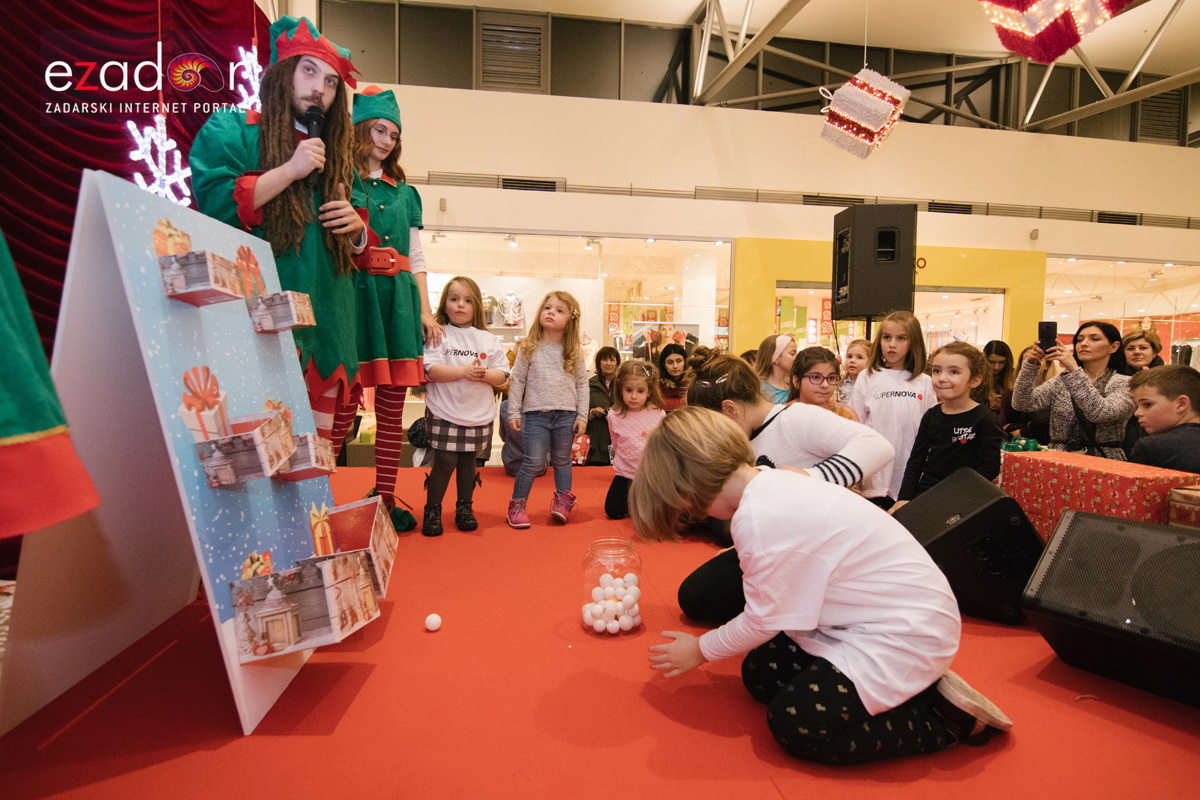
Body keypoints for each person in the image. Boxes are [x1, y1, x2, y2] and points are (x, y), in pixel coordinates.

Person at [630, 407, 1013, 765]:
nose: (691, 514)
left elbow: (763, 619)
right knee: (760, 674)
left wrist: (701, 648)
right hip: (869, 619)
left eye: (684, 506)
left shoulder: (759, 518)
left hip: (905, 633)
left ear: (690, 487)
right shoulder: (772, 482)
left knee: (798, 725)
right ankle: (912, 686)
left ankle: (943, 720)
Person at [190, 17, 380, 508]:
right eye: (310, 73)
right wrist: (290, 170)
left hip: (330, 333)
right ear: (283, 73)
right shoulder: (233, 130)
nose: (320, 89)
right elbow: (214, 206)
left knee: (313, 467)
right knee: (250, 464)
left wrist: (358, 232)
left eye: (332, 82)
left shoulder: (339, 157)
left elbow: (363, 250)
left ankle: (306, 550)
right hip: (258, 328)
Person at [679, 354, 894, 624]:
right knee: (696, 596)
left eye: (711, 425)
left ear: (730, 410)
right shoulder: (746, 435)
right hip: (779, 546)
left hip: (816, 549)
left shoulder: (795, 418)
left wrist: (809, 477)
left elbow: (878, 447)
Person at [350, 85, 444, 526]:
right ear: (359, 129)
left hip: (398, 304)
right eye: (378, 130)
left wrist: (425, 310)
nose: (385, 141)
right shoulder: (338, 180)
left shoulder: (406, 193)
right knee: (340, 406)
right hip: (354, 300)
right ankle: (320, 508)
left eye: (392, 134)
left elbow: (417, 256)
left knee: (391, 407)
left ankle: (385, 498)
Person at [421, 277, 508, 535]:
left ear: (477, 306)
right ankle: (433, 509)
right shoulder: (438, 334)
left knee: (470, 462)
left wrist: (483, 375)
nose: (461, 305)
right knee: (445, 461)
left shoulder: (487, 339)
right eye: (454, 299)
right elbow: (432, 371)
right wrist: (464, 372)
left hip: (477, 413)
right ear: (444, 303)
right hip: (444, 410)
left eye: (468, 301)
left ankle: (464, 507)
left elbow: (503, 375)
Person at [506, 291, 589, 527]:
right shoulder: (529, 348)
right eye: (547, 307)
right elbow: (518, 380)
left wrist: (582, 415)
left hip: (566, 414)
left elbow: (582, 384)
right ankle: (517, 505)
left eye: (559, 310)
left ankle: (563, 501)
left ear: (570, 319)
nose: (551, 312)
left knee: (562, 461)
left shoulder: (573, 351)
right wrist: (513, 411)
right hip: (535, 415)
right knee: (532, 461)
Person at [892, 342, 1004, 513]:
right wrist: (904, 498)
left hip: (963, 501)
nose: (942, 378)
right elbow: (916, 461)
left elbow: (989, 468)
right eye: (937, 371)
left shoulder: (985, 419)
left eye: (954, 372)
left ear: (974, 380)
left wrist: (950, 494)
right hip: (926, 495)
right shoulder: (931, 415)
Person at [848, 310, 936, 510]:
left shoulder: (924, 382)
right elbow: (855, 423)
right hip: (875, 471)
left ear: (913, 343)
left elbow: (929, 430)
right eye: (887, 337)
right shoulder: (868, 377)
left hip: (909, 472)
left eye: (901, 338)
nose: (892, 344)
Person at [1012, 320, 1134, 460]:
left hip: (1103, 461)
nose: (1084, 343)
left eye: (1094, 339)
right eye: (1080, 339)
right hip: (1059, 459)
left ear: (1113, 347)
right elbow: (1022, 403)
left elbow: (1099, 413)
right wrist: (1030, 364)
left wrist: (1074, 369)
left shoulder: (1126, 383)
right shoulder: (1062, 380)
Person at [605, 361, 666, 519]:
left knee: (654, 514)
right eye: (628, 390)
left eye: (640, 391)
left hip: (649, 474)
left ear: (649, 392)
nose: (633, 396)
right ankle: (632, 501)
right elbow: (616, 443)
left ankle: (640, 500)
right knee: (613, 511)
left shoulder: (658, 414)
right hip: (625, 473)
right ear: (620, 389)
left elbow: (661, 445)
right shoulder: (614, 415)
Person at [1127, 365, 1200, 472]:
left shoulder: (1151, 447)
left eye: (1147, 404)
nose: (1137, 413)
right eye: (1137, 406)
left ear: (1181, 404)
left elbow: (1129, 487)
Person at [1120, 329, 1165, 456]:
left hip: (1157, 440)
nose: (1137, 352)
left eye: (1143, 347)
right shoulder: (1115, 377)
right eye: (1130, 348)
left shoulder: (1169, 379)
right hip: (1123, 442)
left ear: (1154, 352)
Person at [788, 346, 858, 421]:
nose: (825, 385)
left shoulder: (844, 415)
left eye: (831, 378)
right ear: (796, 381)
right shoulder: (785, 415)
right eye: (816, 377)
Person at [585, 346, 620, 466]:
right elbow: (579, 412)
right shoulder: (589, 385)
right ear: (599, 363)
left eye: (612, 360)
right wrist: (592, 412)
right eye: (605, 360)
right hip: (596, 440)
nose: (608, 363)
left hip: (619, 438)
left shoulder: (624, 385)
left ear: (617, 363)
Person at [983, 340, 1021, 433]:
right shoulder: (978, 377)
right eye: (992, 362)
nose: (996, 367)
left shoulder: (1014, 376)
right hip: (983, 425)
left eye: (1001, 362)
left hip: (1008, 429)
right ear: (985, 359)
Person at [753, 334, 797, 404]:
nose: (796, 358)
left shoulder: (795, 387)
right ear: (775, 358)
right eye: (792, 354)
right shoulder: (758, 389)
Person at [658, 343, 689, 411]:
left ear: (685, 362)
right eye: (670, 362)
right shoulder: (657, 385)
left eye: (679, 361)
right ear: (664, 365)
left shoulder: (692, 383)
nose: (675, 366)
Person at [839, 338, 870, 402]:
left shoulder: (871, 385)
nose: (852, 360)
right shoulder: (840, 384)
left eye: (859, 357)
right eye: (849, 356)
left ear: (870, 361)